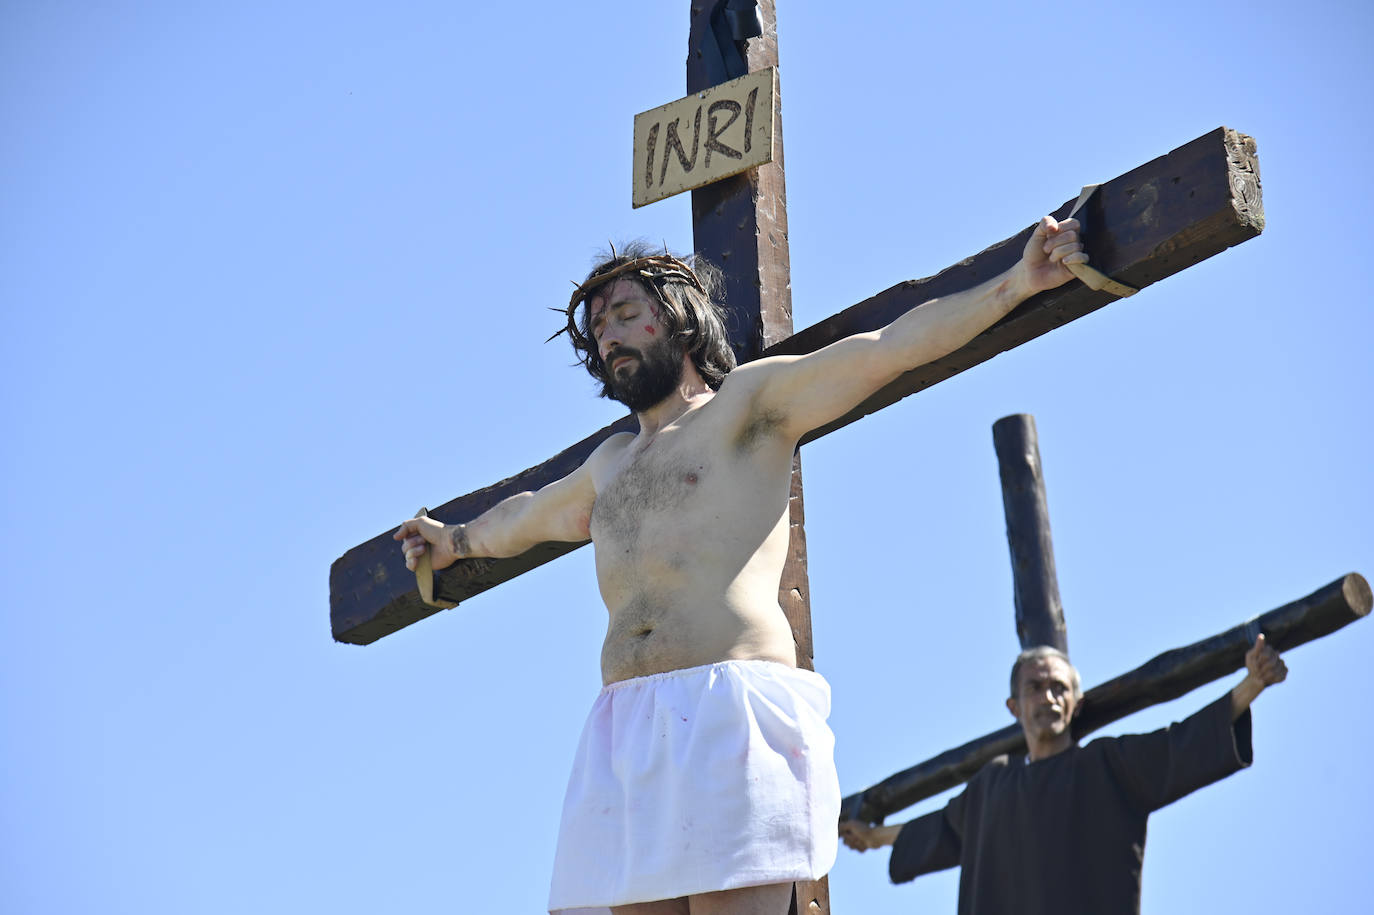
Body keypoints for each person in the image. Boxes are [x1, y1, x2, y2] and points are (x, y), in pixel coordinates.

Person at [393, 218, 1089, 915]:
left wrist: (1014, 284)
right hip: (627, 732)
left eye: (628, 315)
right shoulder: (608, 466)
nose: (609, 337)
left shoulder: (746, 408)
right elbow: (522, 518)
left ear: (680, 323)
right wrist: (451, 540)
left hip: (730, 712)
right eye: (600, 328)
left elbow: (887, 349)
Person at [838, 636, 1289, 914]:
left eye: (1060, 688)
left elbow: (1179, 743)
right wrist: (871, 836)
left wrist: (1253, 684)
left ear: (1074, 704)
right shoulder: (991, 789)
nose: (1049, 697)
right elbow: (937, 828)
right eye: (1036, 687)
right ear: (1014, 707)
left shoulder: (1106, 766)